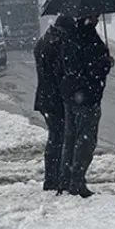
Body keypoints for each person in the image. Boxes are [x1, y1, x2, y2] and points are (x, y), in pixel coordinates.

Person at [58, 14, 114, 197]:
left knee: (71, 138)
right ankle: (77, 182)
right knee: (85, 141)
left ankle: (64, 179)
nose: (98, 17)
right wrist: (106, 61)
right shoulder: (88, 37)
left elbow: (68, 64)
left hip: (70, 94)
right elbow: (92, 68)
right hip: (87, 96)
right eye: (95, 14)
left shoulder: (70, 35)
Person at [34, 15, 75, 191]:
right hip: (55, 100)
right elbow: (61, 73)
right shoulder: (56, 44)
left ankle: (53, 177)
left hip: (46, 98)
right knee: (58, 138)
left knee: (55, 137)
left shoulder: (44, 41)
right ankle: (54, 178)